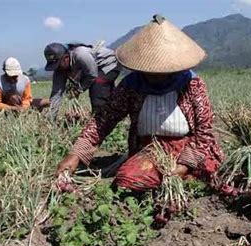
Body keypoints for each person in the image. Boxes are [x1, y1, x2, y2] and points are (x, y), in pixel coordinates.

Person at [56, 15, 224, 192]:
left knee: (209, 170)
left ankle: (184, 177)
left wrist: (185, 165)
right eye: (149, 71)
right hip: (151, 149)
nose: (155, 75)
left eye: (162, 71)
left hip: (189, 146)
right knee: (127, 182)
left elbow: (204, 133)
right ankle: (168, 180)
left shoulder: (192, 84)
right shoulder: (131, 85)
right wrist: (76, 154)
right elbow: (103, 120)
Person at [43, 41, 119, 120]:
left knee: (97, 88)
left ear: (66, 58)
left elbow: (92, 75)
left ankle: (100, 120)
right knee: (108, 94)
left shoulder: (80, 54)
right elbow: (56, 93)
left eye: (58, 64)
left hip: (108, 64)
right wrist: (51, 117)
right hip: (94, 69)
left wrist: (78, 90)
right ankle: (113, 113)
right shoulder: (59, 70)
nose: (57, 68)